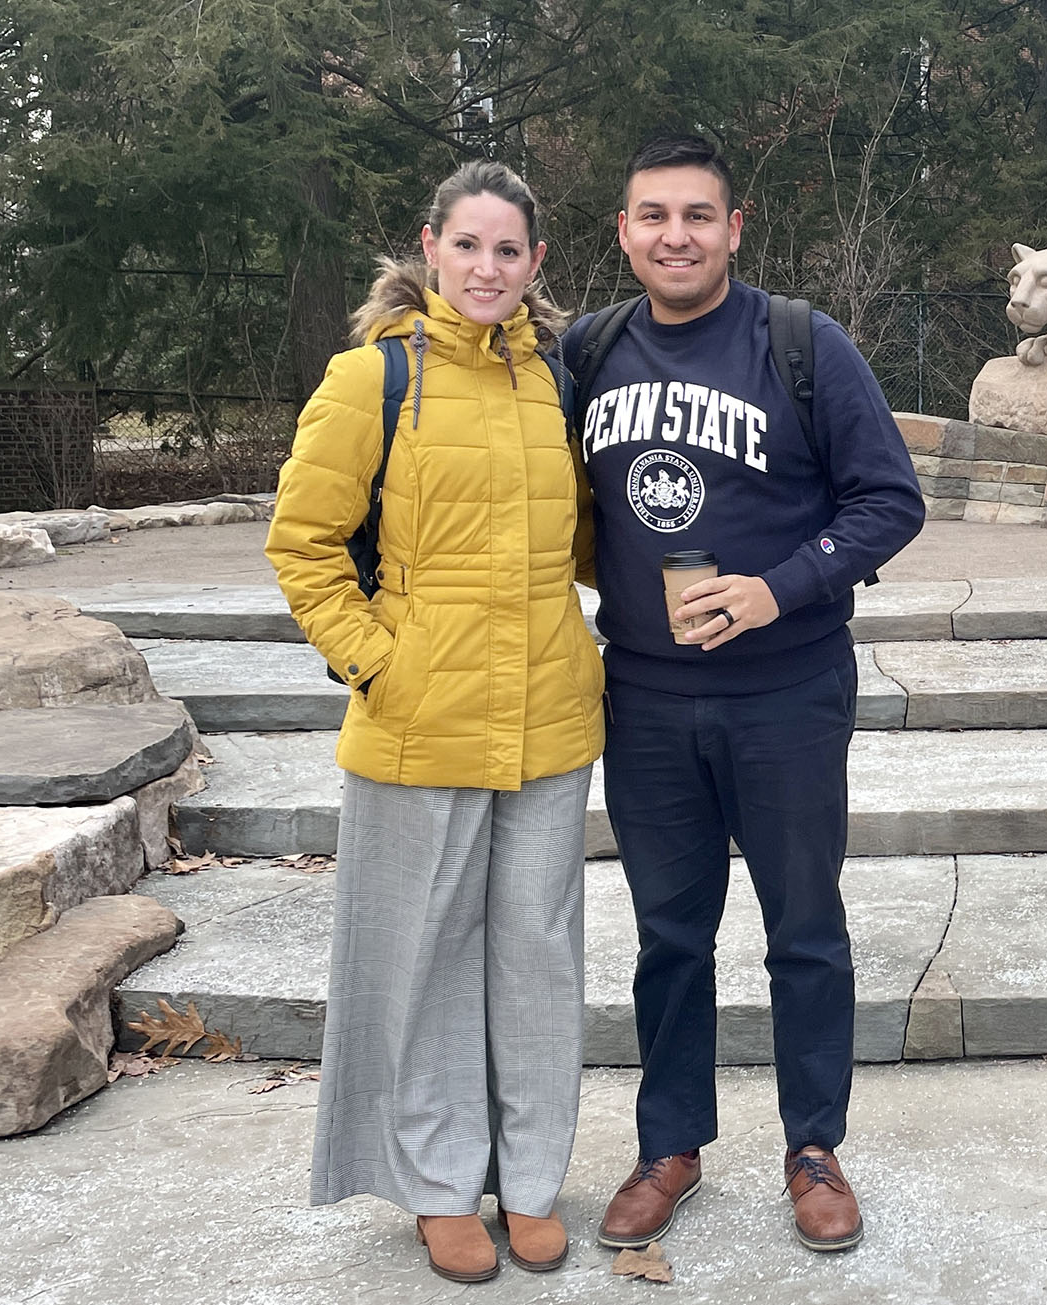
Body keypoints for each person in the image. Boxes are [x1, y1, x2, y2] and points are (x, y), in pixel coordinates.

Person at [562, 133, 926, 1255]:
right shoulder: (589, 350)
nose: (676, 235)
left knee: (803, 929)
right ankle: (670, 1142)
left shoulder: (802, 344)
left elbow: (888, 502)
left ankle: (813, 1146)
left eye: (697, 215)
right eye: (653, 215)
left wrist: (779, 589)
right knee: (670, 934)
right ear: (623, 232)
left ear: (734, 225)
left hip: (787, 690)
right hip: (647, 697)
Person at [265, 159, 603, 1285]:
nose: (488, 268)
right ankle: (441, 1186)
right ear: (429, 247)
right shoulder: (373, 379)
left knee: (539, 963)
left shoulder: (558, 381)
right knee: (425, 966)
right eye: (468, 246)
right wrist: (376, 665)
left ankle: (534, 1178)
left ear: (536, 262)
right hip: (420, 724)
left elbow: (588, 541)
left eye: (509, 250)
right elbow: (302, 545)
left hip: (549, 721)